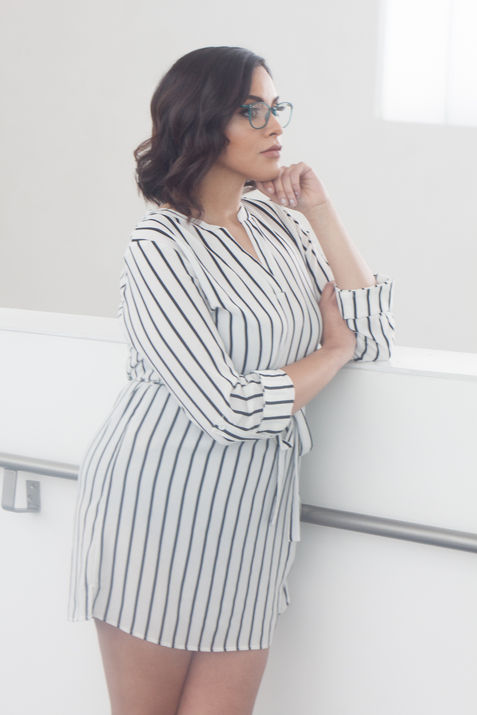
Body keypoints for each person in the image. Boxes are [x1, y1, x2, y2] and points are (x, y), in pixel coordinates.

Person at [67, 45, 395, 715]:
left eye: (276, 107)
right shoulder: (160, 247)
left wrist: (321, 211)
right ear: (201, 121)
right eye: (252, 111)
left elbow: (373, 336)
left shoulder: (280, 224)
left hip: (251, 523)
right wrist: (332, 351)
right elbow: (229, 408)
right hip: (154, 512)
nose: (276, 126)